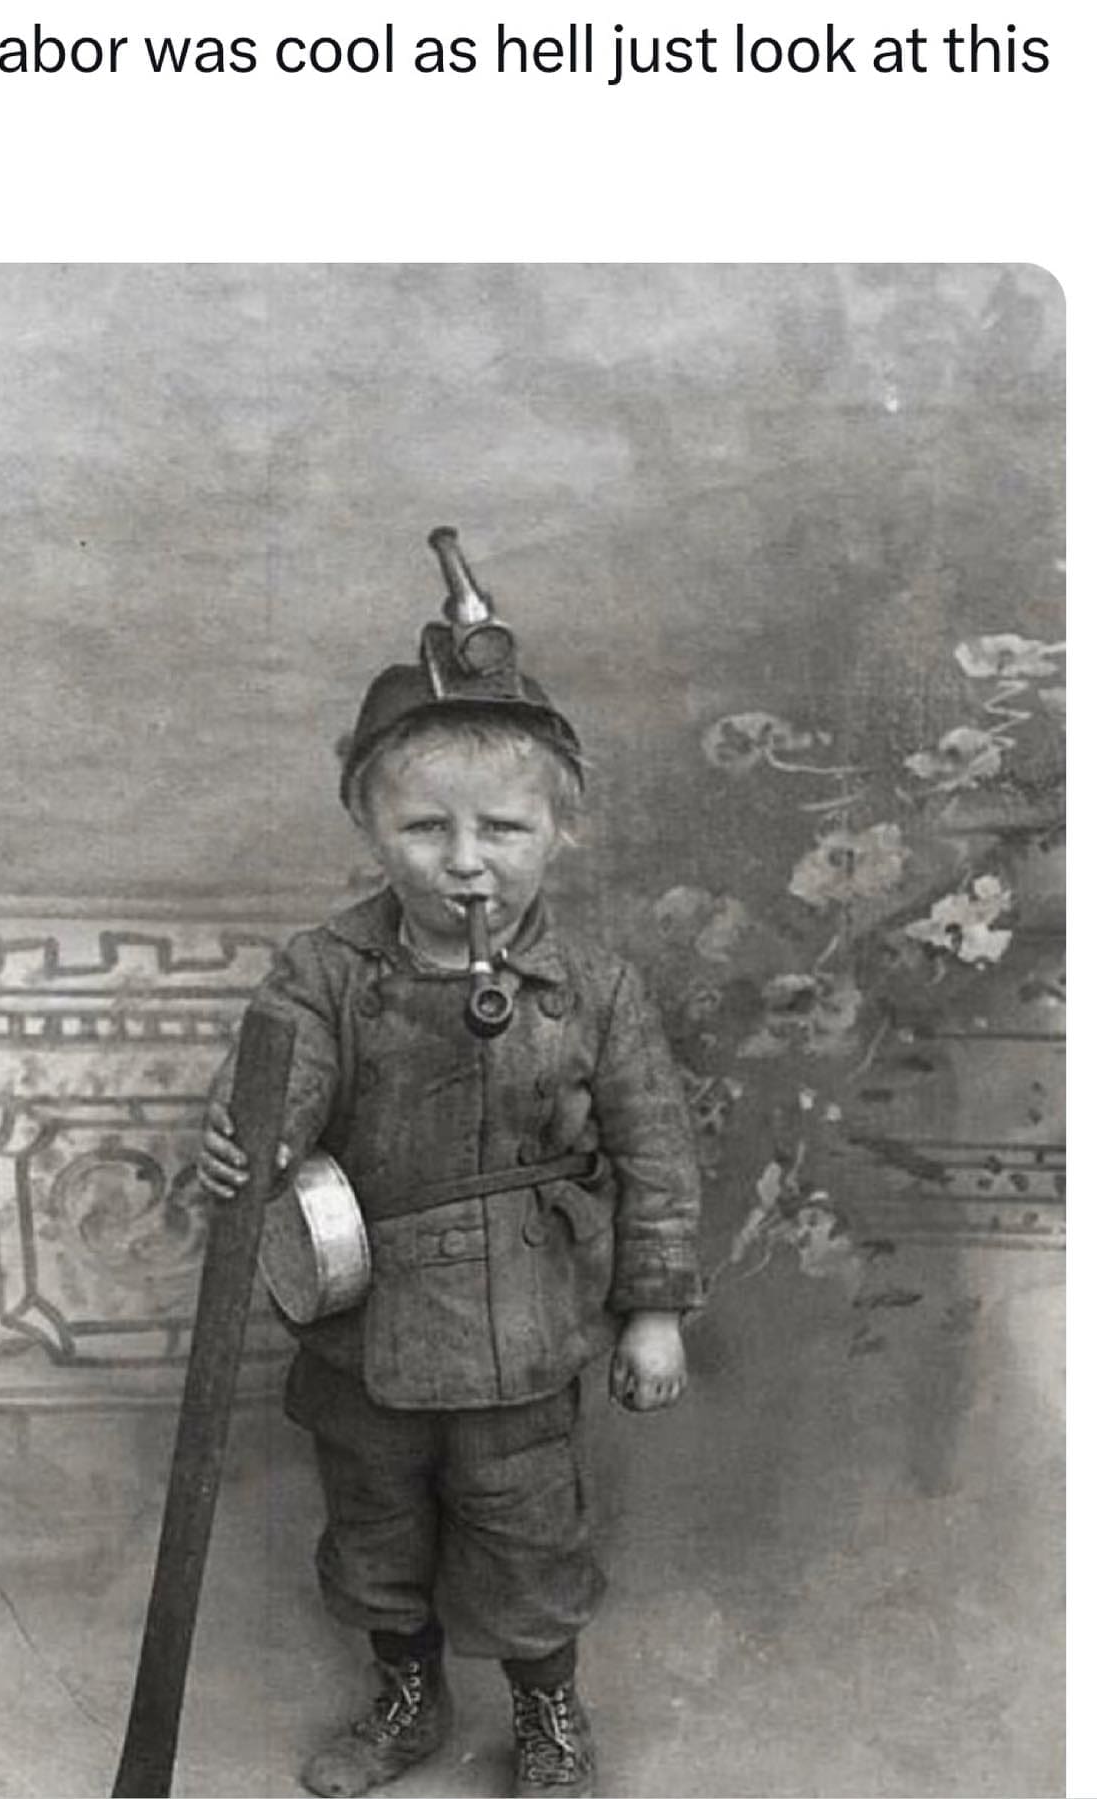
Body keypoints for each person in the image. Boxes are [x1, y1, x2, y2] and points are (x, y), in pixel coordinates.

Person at [198, 531, 703, 1798]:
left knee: (527, 1530)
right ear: (369, 824)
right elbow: (280, 1080)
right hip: (364, 1324)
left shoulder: (596, 987)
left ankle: (547, 1711)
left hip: (523, 1325)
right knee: (376, 1528)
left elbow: (655, 1150)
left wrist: (652, 1310)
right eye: (425, 826)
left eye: (503, 827)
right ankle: (407, 1697)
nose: (465, 859)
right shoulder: (325, 969)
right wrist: (249, 1132)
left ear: (561, 831)